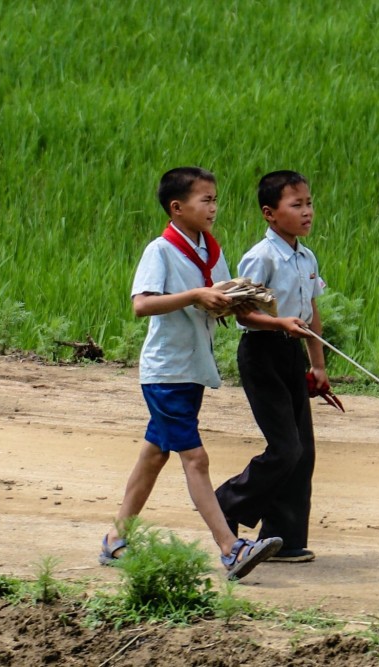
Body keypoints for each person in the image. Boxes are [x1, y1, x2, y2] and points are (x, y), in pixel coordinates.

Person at [100, 166, 282, 580]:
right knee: (195, 458)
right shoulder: (160, 251)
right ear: (177, 208)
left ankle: (116, 538)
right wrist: (197, 295)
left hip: (192, 368)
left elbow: (219, 301)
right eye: (206, 199)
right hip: (166, 370)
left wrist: (241, 304)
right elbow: (141, 305)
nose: (214, 206)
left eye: (215, 199)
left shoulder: (211, 252)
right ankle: (230, 548)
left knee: (155, 454)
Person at [215, 170, 327, 564]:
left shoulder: (306, 256)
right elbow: (243, 313)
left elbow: (312, 312)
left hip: (290, 356)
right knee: (285, 448)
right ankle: (226, 501)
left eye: (309, 203)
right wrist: (278, 323)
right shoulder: (260, 257)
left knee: (304, 452)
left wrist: (318, 366)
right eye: (296, 205)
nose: (307, 212)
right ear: (269, 213)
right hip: (261, 354)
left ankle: (285, 537)